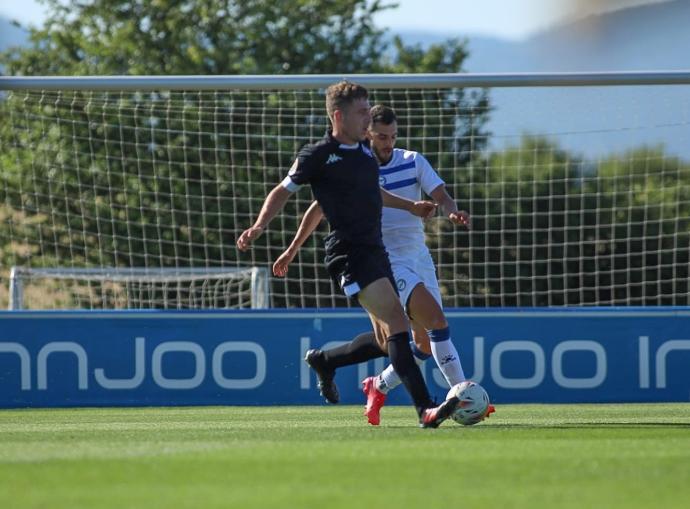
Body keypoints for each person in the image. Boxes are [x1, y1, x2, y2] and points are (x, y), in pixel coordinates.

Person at [237, 81, 459, 428]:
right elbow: (285, 193)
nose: (367, 119)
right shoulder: (319, 155)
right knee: (402, 325)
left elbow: (376, 193)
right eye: (361, 112)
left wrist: (411, 206)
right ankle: (425, 410)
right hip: (348, 253)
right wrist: (261, 226)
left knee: (389, 341)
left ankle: (326, 361)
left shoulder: (364, 154)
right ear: (338, 116)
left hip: (376, 251)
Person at [274, 104, 486, 426]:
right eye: (382, 136)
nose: (388, 142)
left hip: (418, 255)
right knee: (435, 321)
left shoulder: (412, 160)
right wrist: (291, 249)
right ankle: (460, 395)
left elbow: (441, 193)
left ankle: (351, 372)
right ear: (367, 133)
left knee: (413, 342)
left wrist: (451, 210)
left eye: (393, 136)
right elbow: (317, 209)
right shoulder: (355, 164)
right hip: (382, 257)